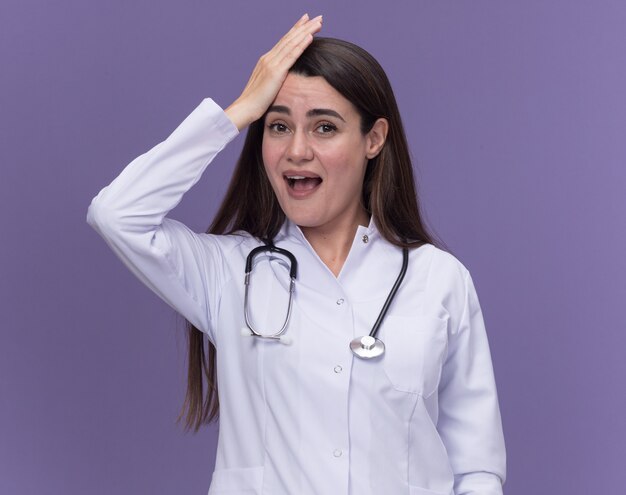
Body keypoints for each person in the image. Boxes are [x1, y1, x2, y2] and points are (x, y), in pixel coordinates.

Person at [87, 14, 506, 495]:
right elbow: (116, 214)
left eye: (324, 128)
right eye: (278, 126)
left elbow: (476, 467)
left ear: (374, 139)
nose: (297, 151)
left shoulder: (439, 280)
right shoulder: (230, 274)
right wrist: (240, 110)